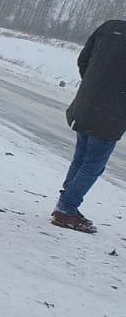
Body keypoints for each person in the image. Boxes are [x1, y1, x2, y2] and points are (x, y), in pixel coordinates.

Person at [52, 18, 126, 233]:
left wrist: (94, 85)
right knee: (93, 165)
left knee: (81, 158)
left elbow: (82, 60)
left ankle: (66, 203)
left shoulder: (109, 27)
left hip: (86, 105)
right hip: (111, 114)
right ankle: (66, 209)